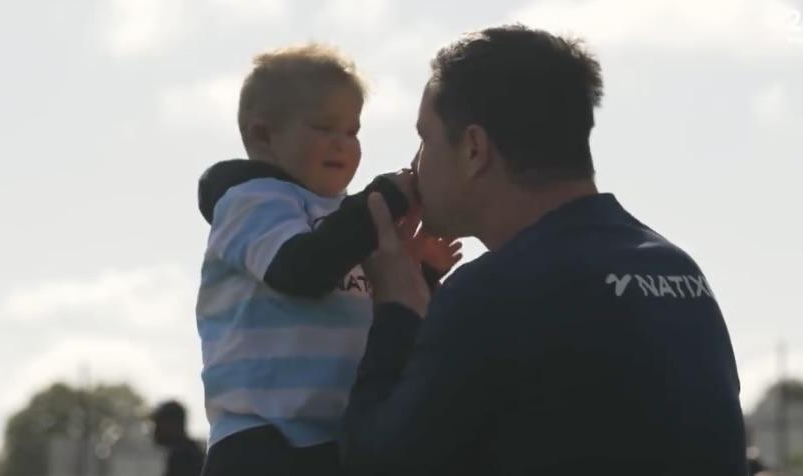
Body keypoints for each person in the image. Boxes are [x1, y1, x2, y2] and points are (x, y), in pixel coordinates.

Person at [340, 25, 748, 475]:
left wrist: (397, 306)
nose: (414, 165)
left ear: (474, 149)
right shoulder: (677, 270)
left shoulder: (491, 292)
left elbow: (376, 464)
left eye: (425, 139)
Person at [195, 44, 461, 476]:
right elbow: (300, 269)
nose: (343, 144)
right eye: (324, 127)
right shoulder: (252, 201)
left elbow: (380, 315)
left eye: (353, 132)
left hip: (330, 436)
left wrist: (419, 272)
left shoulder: (342, 222)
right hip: (262, 440)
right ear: (263, 136)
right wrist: (382, 200)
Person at [151, 400, 206, 476]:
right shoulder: (191, 452)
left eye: (158, 423)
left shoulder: (183, 458)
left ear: (174, 425)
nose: (155, 430)